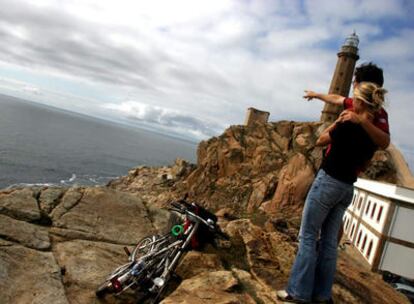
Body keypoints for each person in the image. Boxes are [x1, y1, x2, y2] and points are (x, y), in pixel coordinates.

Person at [277, 82, 388, 304]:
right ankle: (322, 295)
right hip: (347, 188)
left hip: (328, 181)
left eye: (354, 98)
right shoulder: (373, 135)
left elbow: (321, 140)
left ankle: (298, 292)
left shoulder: (347, 123)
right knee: (329, 242)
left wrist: (336, 122)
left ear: (358, 102)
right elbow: (367, 161)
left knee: (308, 236)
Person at [304, 62, 390, 149]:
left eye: (354, 81)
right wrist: (315, 95)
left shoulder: (374, 112)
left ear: (363, 86)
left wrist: (360, 120)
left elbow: (385, 142)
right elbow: (336, 98)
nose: (353, 84)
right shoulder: (356, 104)